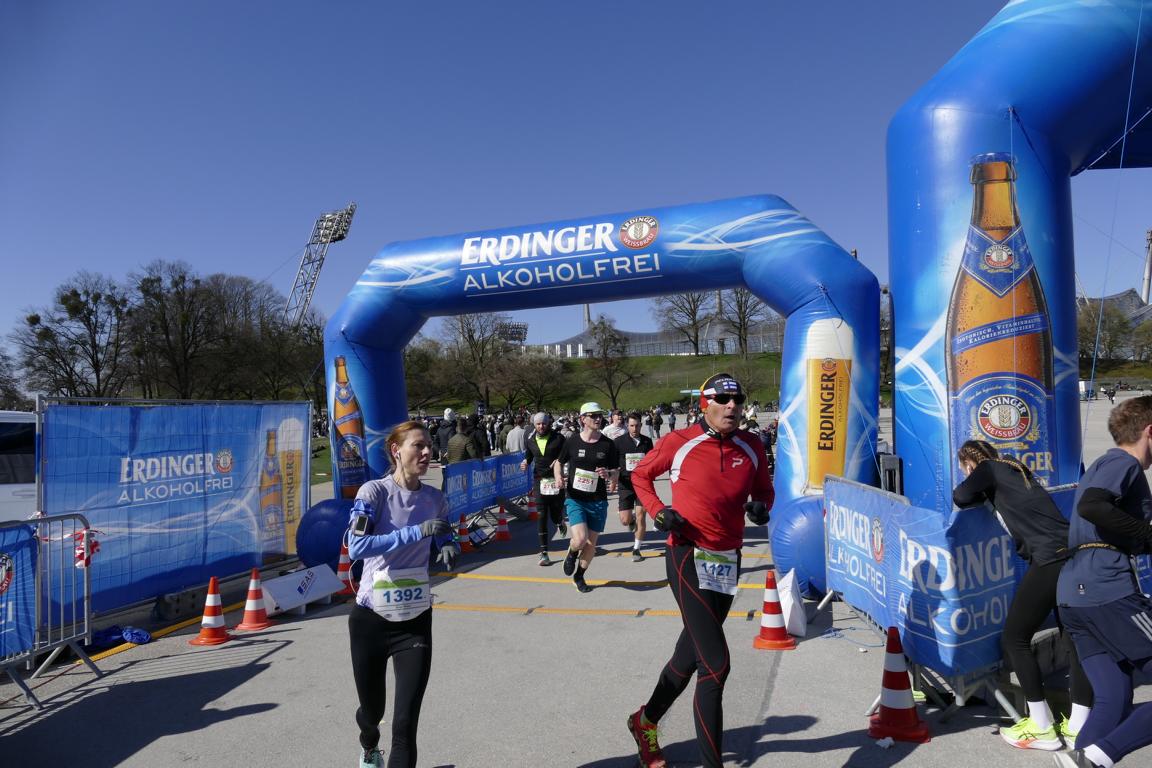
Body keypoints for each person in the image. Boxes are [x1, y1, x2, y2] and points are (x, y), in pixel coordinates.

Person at [627, 372, 773, 768]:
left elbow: (764, 490)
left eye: (738, 399)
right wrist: (659, 511)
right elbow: (639, 475)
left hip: (727, 559)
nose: (732, 406)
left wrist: (762, 508)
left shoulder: (752, 445)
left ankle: (645, 721)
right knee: (716, 664)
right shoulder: (680, 441)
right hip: (687, 555)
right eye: (723, 400)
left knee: (689, 655)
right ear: (704, 405)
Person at [952, 440, 1092, 751]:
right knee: (1073, 638)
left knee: (1014, 638)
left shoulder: (989, 469)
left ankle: (1041, 726)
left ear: (969, 465)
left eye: (965, 469)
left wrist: (975, 481)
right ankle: (1079, 725)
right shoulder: (1015, 469)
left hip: (1049, 558)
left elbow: (961, 496)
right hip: (1073, 552)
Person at [345, 421, 458, 768]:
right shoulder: (373, 493)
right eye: (418, 446)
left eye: (429, 446)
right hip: (371, 620)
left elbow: (443, 530)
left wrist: (447, 543)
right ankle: (368, 744)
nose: (427, 452)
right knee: (373, 711)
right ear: (396, 451)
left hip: (415, 620)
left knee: (405, 724)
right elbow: (356, 546)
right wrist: (415, 533)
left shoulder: (435, 498)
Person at [1053, 396, 1152, 768]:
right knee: (1113, 700)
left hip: (1074, 596)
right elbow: (1092, 506)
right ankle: (1098, 757)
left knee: (1113, 696)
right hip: (1106, 590)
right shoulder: (1123, 463)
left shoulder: (1103, 464)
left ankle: (1081, 760)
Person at [556, 402, 618, 593]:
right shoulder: (572, 441)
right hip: (575, 498)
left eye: (600, 415)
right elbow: (558, 463)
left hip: (598, 500)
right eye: (593, 416)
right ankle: (572, 551)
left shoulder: (608, 444)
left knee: (591, 544)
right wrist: (558, 477)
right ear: (583, 419)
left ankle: (579, 576)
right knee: (580, 539)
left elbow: (616, 472)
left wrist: (608, 474)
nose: (598, 419)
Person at [521, 412, 568, 566]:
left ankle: (559, 522)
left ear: (549, 424)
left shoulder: (558, 438)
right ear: (534, 425)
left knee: (555, 514)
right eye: (538, 424)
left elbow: (567, 454)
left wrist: (559, 461)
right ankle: (544, 553)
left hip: (556, 480)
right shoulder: (530, 440)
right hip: (539, 481)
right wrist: (525, 463)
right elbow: (528, 456)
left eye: (544, 423)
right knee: (541, 515)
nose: (541, 426)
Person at [612, 411, 654, 562]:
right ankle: (631, 520)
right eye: (631, 426)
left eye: (637, 425)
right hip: (626, 484)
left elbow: (652, 461)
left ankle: (636, 549)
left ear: (641, 425)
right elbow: (613, 464)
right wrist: (613, 479)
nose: (634, 429)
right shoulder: (618, 442)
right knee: (625, 520)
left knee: (641, 515)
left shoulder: (647, 441)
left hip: (643, 484)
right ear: (627, 426)